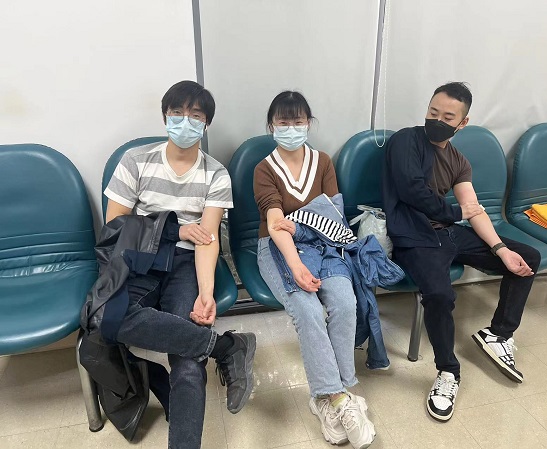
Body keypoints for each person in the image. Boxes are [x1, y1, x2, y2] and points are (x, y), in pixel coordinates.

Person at [104, 80, 256, 448]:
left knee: (188, 364)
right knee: (112, 318)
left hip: (186, 263)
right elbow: (115, 226)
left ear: (206, 124)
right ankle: (226, 347)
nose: (185, 122)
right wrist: (174, 229)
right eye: (177, 113)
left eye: (195, 116)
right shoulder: (135, 161)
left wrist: (206, 291)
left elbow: (207, 238)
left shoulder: (216, 174)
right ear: (164, 117)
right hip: (139, 259)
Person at [382, 82, 541, 422]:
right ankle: (448, 372)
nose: (437, 120)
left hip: (449, 233)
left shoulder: (458, 161)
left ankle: (498, 334)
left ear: (463, 123)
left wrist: (500, 249)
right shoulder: (406, 141)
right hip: (415, 237)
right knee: (439, 295)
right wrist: (455, 212)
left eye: (447, 117)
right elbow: (411, 191)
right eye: (433, 112)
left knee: (527, 257)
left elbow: (473, 208)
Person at [254, 91, 376, 448]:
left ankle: (329, 395)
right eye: (283, 121)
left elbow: (333, 215)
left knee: (346, 303)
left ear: (308, 123)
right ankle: (339, 399)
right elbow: (276, 223)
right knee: (307, 310)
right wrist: (295, 267)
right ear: (271, 126)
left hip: (325, 245)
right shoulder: (264, 169)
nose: (291, 128)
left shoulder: (322, 162)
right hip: (278, 249)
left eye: (298, 121)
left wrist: (304, 227)